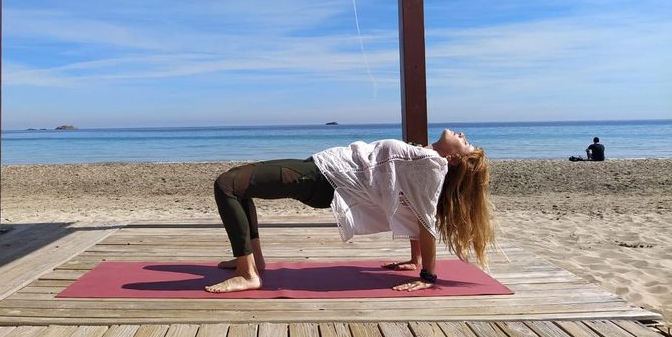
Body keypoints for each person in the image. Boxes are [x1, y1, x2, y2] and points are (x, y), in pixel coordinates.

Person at [206, 129, 496, 293]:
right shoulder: (426, 156)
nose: (462, 134)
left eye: (465, 142)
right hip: (322, 168)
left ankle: (248, 275)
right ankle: (254, 261)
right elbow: (410, 201)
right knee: (237, 179)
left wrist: (427, 275)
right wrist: (414, 259)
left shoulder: (433, 164)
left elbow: (425, 218)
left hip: (324, 179)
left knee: (227, 185)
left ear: (454, 159)